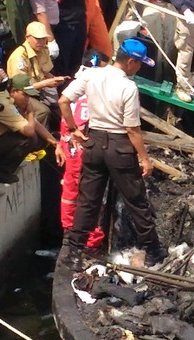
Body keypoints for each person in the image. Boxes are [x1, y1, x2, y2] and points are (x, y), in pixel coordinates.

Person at [60, 39, 167, 267]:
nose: (139, 69)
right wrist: (144, 158)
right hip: (119, 147)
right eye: (139, 64)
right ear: (130, 62)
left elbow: (63, 100)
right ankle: (153, 249)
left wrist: (73, 129)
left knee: (88, 200)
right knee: (136, 200)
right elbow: (132, 129)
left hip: (94, 143)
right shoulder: (128, 88)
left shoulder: (91, 75)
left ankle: (74, 251)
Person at [58, 49, 109, 248]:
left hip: (71, 147)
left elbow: (65, 122)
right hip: (87, 150)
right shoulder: (96, 88)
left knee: (70, 193)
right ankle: (92, 240)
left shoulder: (74, 86)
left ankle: (69, 230)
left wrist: (60, 144)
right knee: (92, 197)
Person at [0, 72, 64, 184]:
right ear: (14, 91)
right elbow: (29, 132)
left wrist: (56, 143)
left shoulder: (12, 99)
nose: (28, 99)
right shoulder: (5, 103)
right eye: (25, 95)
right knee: (30, 139)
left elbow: (36, 124)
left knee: (43, 139)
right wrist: (30, 113)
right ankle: (0, 171)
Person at [6, 21, 66, 120]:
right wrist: (46, 83)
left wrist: (56, 79)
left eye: (44, 38)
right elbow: (21, 89)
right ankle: (31, 133)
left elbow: (44, 72)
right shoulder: (19, 57)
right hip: (23, 94)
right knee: (43, 111)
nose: (41, 42)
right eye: (37, 39)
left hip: (40, 88)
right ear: (27, 37)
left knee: (60, 103)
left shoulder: (43, 49)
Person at [54, 0, 88, 77]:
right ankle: (60, 86)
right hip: (64, 24)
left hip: (80, 21)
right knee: (62, 62)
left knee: (76, 63)